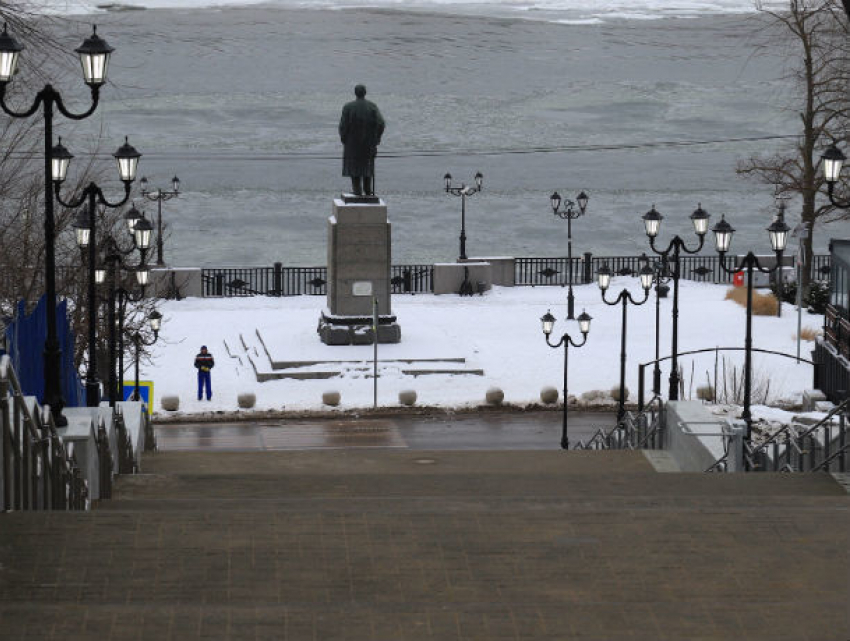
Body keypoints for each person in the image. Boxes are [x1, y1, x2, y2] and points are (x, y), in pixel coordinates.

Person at [339, 84, 385, 196]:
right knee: (367, 166)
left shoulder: (348, 107)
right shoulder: (372, 106)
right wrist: (376, 138)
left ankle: (357, 191)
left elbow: (342, 126)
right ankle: (368, 190)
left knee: (354, 166)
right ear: (365, 93)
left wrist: (344, 139)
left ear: (355, 93)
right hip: (369, 143)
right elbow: (381, 123)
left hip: (352, 144)